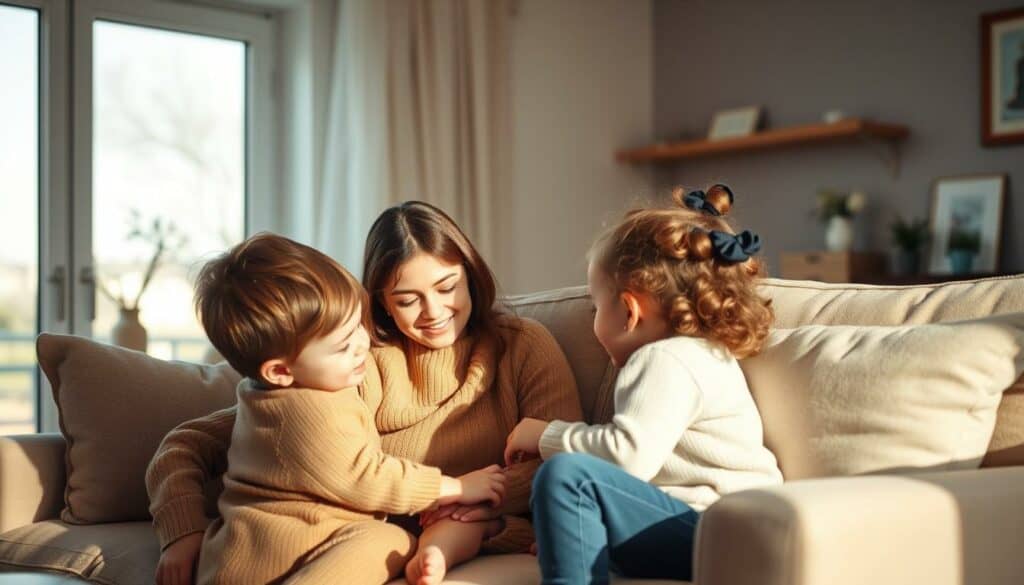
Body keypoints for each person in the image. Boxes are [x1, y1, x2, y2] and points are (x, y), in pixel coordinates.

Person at [145, 202, 583, 585]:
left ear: (470, 274)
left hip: (470, 524)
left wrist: (479, 498)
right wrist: (182, 531)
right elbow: (195, 442)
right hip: (346, 539)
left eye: (447, 287)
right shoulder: (349, 364)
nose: (434, 312)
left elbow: (567, 461)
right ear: (380, 302)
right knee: (387, 540)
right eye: (408, 299)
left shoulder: (524, 346)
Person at [185, 233, 505, 584]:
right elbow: (366, 477)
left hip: (236, 554)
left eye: (358, 327)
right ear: (279, 371)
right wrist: (454, 488)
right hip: (278, 556)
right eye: (341, 347)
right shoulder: (309, 410)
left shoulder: (261, 396)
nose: (362, 347)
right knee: (389, 540)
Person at [505, 184, 784, 583]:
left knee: (565, 476)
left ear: (629, 310)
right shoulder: (701, 354)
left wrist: (546, 435)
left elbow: (628, 457)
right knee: (578, 496)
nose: (593, 319)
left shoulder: (664, 359)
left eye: (595, 307)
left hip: (720, 532)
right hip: (719, 532)